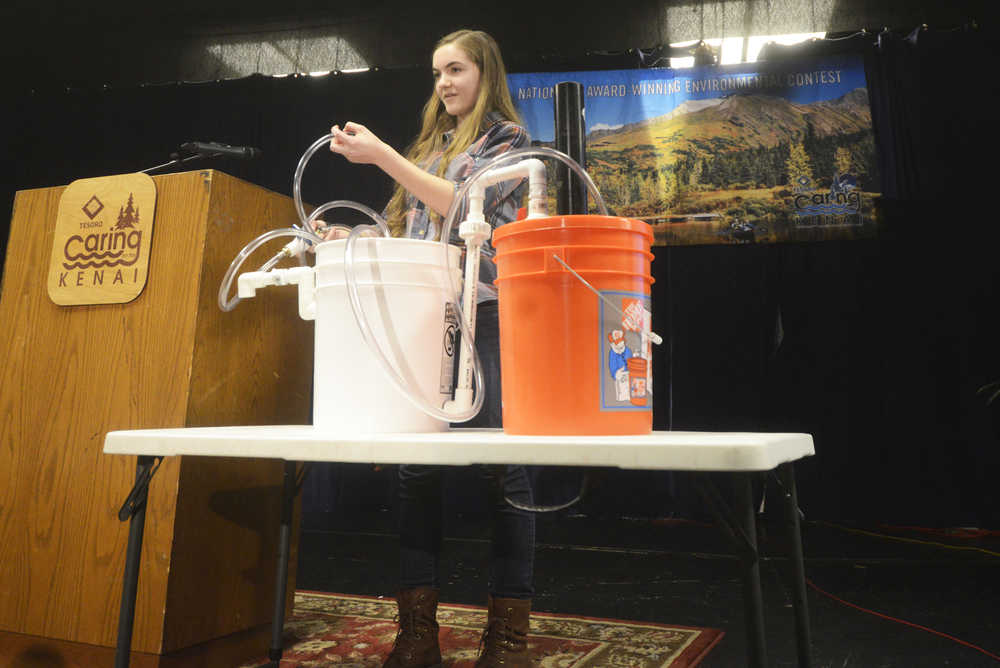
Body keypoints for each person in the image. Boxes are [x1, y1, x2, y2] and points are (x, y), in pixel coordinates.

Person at [324, 29, 536, 668]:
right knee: (416, 469)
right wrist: (347, 234)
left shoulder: (507, 144)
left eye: (456, 70)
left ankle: (507, 641)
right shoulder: (430, 147)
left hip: (490, 317)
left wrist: (385, 155)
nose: (444, 82)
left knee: (507, 471)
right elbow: (405, 227)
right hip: (429, 319)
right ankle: (416, 634)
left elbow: (459, 207)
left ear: (484, 74)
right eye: (438, 72)